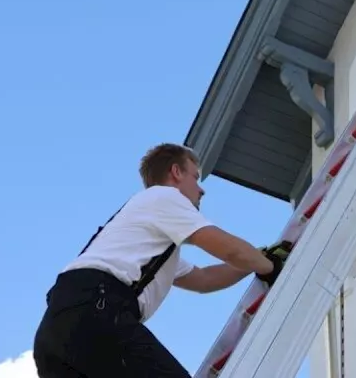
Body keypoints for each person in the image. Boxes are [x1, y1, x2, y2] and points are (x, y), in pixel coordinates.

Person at [32, 142, 291, 377]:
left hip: (56, 332)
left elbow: (203, 279)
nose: (201, 190)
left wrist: (255, 261)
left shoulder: (143, 239)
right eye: (195, 177)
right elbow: (227, 248)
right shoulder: (165, 197)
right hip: (96, 311)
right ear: (176, 173)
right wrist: (270, 266)